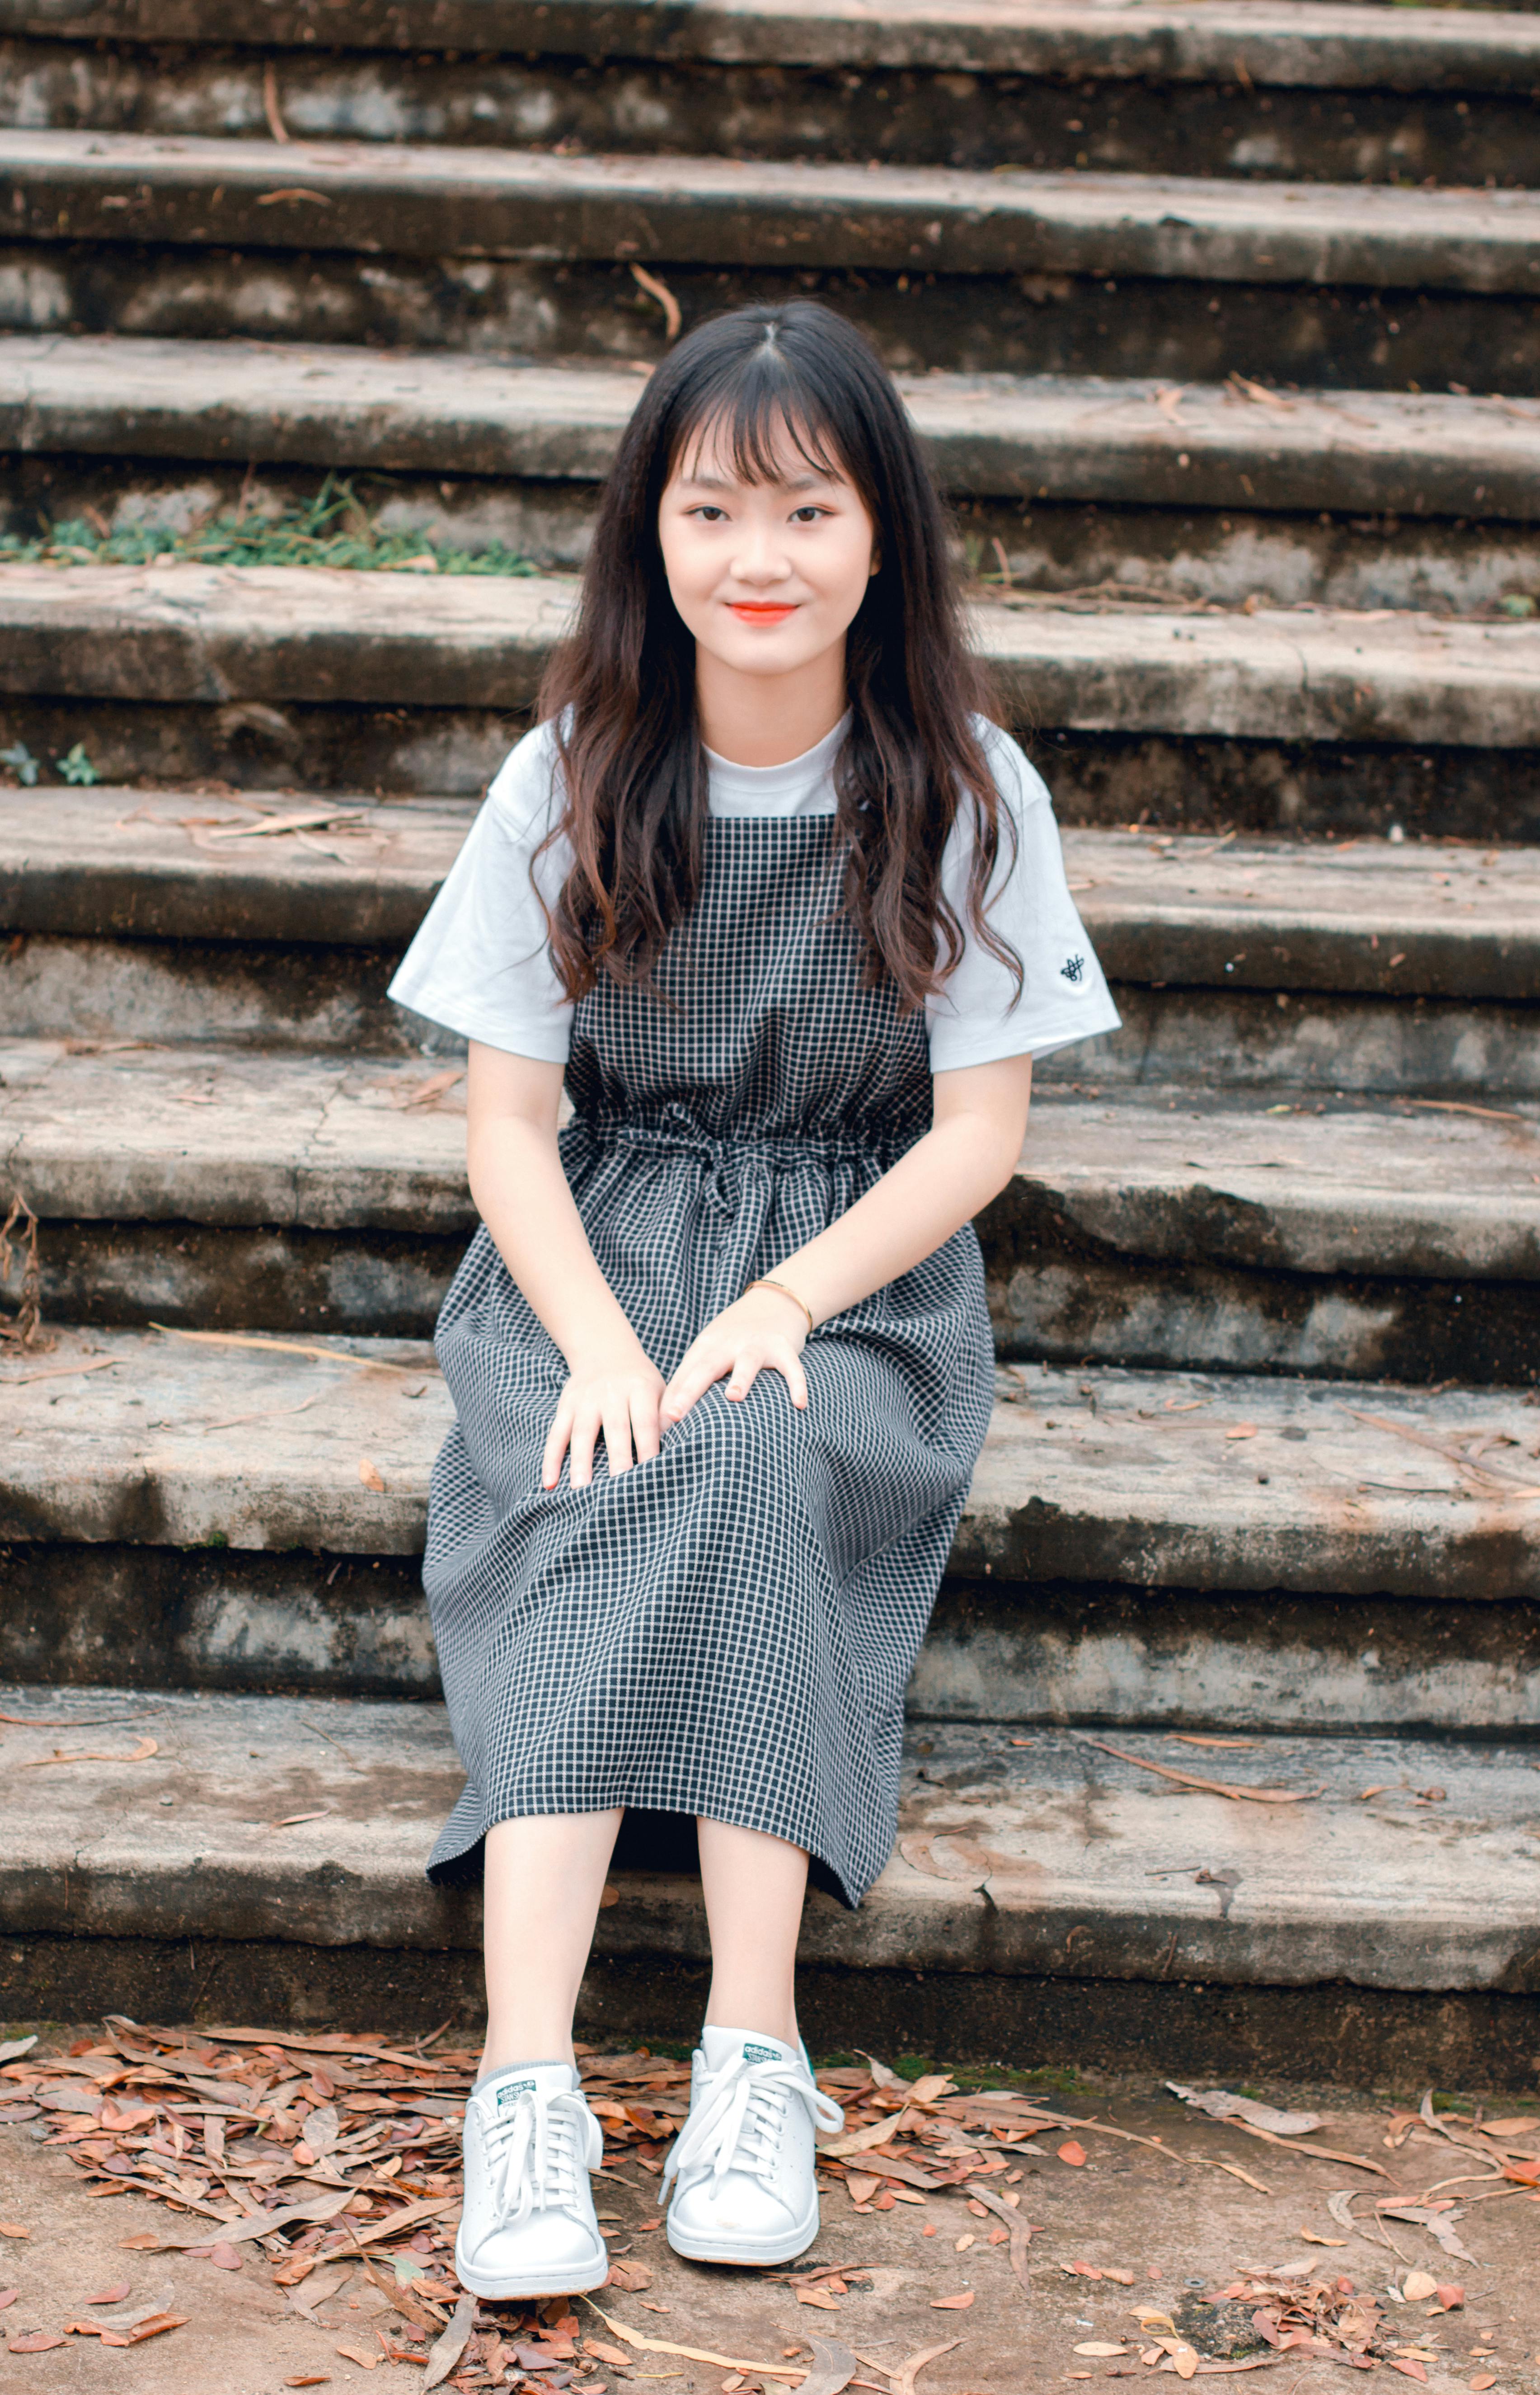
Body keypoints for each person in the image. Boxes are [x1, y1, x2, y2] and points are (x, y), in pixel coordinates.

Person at [387, 300, 1120, 2299]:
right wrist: (608, 1332)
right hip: (597, 1242)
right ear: (653, 534)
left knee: (746, 1451)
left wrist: (789, 1295)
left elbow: (976, 1139)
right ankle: (524, 2081)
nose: (760, 555)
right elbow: (513, 1130)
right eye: (713, 507)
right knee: (604, 1453)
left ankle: (750, 2044)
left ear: (886, 537)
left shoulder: (962, 783)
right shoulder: (576, 770)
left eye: (809, 505)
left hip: (854, 1264)